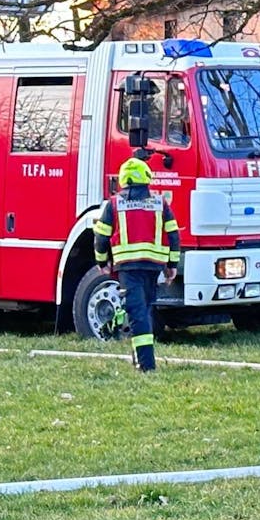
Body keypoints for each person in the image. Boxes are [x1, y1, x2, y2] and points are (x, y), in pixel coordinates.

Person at [93, 157, 180, 372]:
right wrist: (172, 265)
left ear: (124, 180)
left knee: (138, 313)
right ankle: (139, 358)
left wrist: (101, 261)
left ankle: (146, 366)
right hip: (153, 267)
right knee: (144, 311)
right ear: (147, 177)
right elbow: (173, 235)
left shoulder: (114, 204)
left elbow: (101, 237)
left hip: (128, 268)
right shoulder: (160, 203)